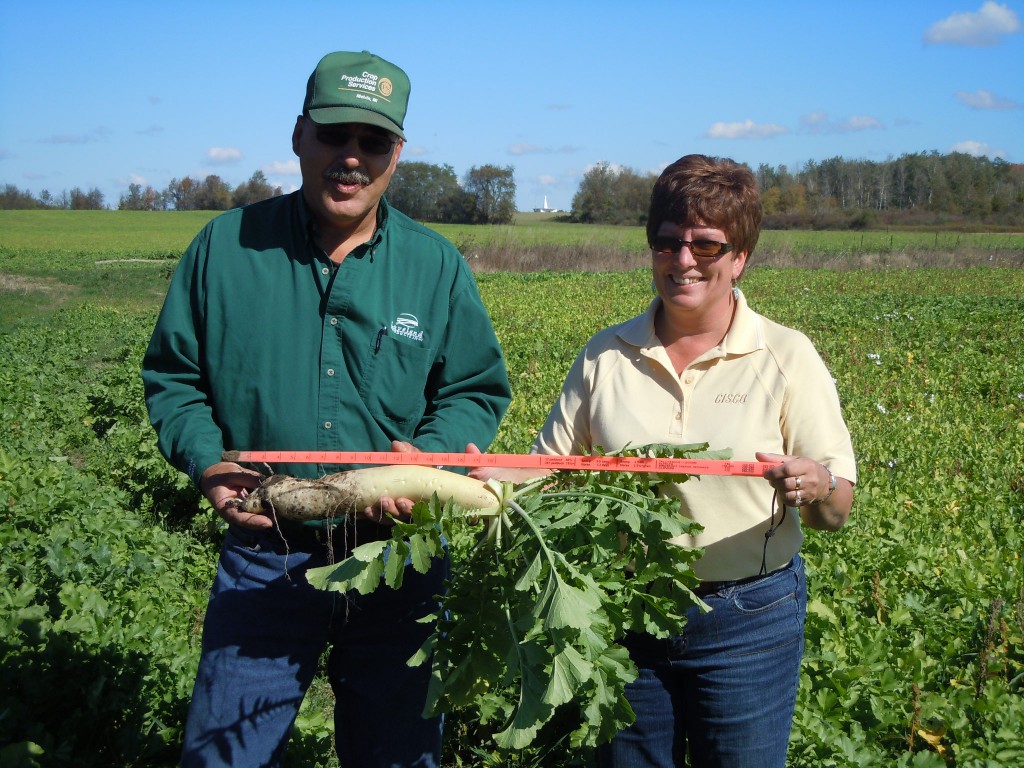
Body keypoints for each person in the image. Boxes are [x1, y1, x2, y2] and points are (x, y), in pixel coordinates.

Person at [141, 50, 511, 767]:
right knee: (227, 756)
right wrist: (209, 461)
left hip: (398, 559)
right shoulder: (226, 248)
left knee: (397, 754)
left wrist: (427, 460)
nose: (351, 158)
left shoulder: (434, 266)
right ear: (298, 136)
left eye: (372, 142)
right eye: (334, 135)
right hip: (267, 552)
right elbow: (174, 376)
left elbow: (472, 389)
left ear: (396, 154)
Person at [471, 154, 855, 767]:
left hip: (747, 619)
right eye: (668, 242)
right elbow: (551, 466)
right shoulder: (606, 353)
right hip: (624, 609)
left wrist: (819, 484)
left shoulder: (786, 356)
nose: (683, 261)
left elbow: (838, 509)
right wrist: (488, 477)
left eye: (706, 246)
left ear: (740, 257)